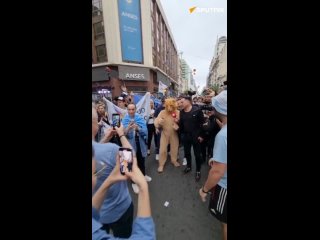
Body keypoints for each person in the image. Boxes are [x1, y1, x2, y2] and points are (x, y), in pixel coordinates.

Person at [92, 146, 156, 240]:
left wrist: (109, 181)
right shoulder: (111, 149)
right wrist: (143, 186)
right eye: (94, 173)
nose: (96, 178)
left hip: (104, 215)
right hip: (120, 211)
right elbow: (146, 236)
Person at [92, 107, 134, 238]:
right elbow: (130, 164)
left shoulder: (103, 149)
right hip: (119, 209)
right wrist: (121, 134)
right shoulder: (111, 150)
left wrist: (104, 139)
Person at [198, 90, 227, 240]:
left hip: (225, 188)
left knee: (225, 222)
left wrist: (204, 189)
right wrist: (218, 158)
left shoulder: (223, 136)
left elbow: (217, 172)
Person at [122, 103, 152, 194]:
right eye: (129, 109)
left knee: (141, 161)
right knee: (130, 164)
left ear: (135, 109)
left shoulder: (139, 118)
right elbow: (122, 134)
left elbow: (146, 132)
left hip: (140, 143)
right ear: (127, 110)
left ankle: (143, 175)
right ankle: (133, 182)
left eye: (133, 109)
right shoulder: (124, 119)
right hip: (129, 144)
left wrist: (137, 128)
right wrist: (128, 128)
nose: (131, 111)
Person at [179, 95, 205, 181]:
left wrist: (201, 136)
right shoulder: (181, 112)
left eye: (182, 102)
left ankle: (198, 171)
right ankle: (189, 166)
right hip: (186, 137)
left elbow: (202, 124)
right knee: (187, 153)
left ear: (188, 101)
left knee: (197, 155)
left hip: (196, 136)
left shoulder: (197, 110)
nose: (180, 103)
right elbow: (182, 125)